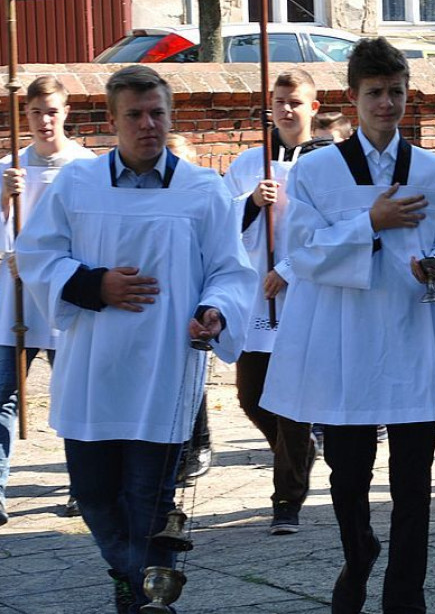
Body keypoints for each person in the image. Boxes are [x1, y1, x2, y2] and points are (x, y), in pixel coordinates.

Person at [14, 65, 255, 613]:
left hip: (164, 369)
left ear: (170, 116)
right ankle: (136, 581)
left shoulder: (203, 190)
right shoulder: (77, 184)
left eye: (157, 113)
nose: (148, 124)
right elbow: (37, 255)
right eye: (135, 115)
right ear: (112, 120)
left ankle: (146, 600)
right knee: (95, 497)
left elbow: (230, 270)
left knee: (150, 503)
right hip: (93, 368)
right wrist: (94, 284)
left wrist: (215, 311)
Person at [260, 38, 435, 614]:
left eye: (396, 92)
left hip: (410, 335)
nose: (387, 104)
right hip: (345, 341)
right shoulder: (317, 170)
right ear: (352, 97)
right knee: (348, 476)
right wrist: (370, 223)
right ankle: (358, 553)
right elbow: (302, 251)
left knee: (414, 481)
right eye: (376, 92)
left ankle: (406, 594)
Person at [223, 68, 328, 535]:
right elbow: (219, 221)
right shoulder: (250, 162)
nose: (287, 109)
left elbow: (331, 231)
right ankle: (300, 455)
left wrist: (288, 269)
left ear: (313, 107)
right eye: (280, 101)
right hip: (255, 296)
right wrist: (250, 203)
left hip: (301, 292)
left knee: (291, 404)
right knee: (251, 396)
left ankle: (287, 499)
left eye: (296, 101)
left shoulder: (327, 163)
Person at [0, 76, 95, 526]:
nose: (44, 121)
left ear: (66, 112)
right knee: (3, 395)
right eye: (36, 112)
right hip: (13, 298)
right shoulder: (9, 167)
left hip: (62, 294)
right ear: (25, 115)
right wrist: (4, 200)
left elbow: (93, 234)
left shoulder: (86, 167)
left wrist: (41, 264)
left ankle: (84, 486)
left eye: (52, 111)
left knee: (74, 395)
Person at [165, 133, 214, 486]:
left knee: (191, 377)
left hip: (195, 299)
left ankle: (199, 444)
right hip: (159, 300)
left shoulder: (205, 197)